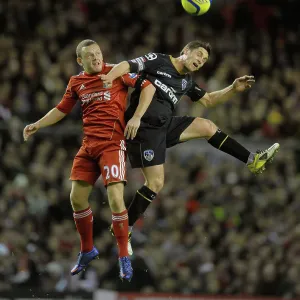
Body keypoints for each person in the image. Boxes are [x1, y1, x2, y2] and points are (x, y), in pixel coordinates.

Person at [100, 40, 280, 254]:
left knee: (207, 126)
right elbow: (126, 65)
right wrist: (108, 78)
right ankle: (124, 227)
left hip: (164, 125)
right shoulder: (158, 60)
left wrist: (233, 88)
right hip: (142, 128)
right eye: (198, 55)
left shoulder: (186, 81)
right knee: (155, 183)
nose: (200, 61)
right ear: (185, 51)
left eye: (204, 60)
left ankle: (252, 160)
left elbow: (209, 100)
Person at [23, 39, 156, 281]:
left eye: (98, 53)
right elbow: (61, 109)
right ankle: (87, 249)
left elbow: (148, 87)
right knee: (76, 197)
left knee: (115, 199)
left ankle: (124, 256)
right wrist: (38, 124)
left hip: (112, 144)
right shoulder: (76, 82)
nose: (96, 58)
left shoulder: (116, 72)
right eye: (90, 56)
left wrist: (136, 117)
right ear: (79, 61)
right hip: (89, 145)